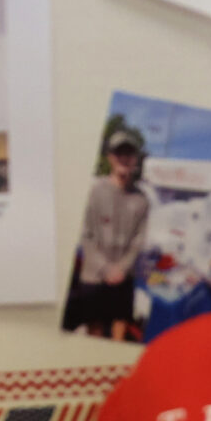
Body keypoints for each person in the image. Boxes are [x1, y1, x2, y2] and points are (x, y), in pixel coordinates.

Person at [64, 131, 149, 339]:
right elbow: (86, 235)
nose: (124, 158)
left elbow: (139, 240)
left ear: (136, 159)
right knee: (95, 328)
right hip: (94, 275)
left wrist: (122, 268)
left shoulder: (142, 199)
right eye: (119, 153)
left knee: (120, 324)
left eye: (129, 153)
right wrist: (105, 268)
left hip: (123, 276)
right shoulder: (94, 191)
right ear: (110, 157)